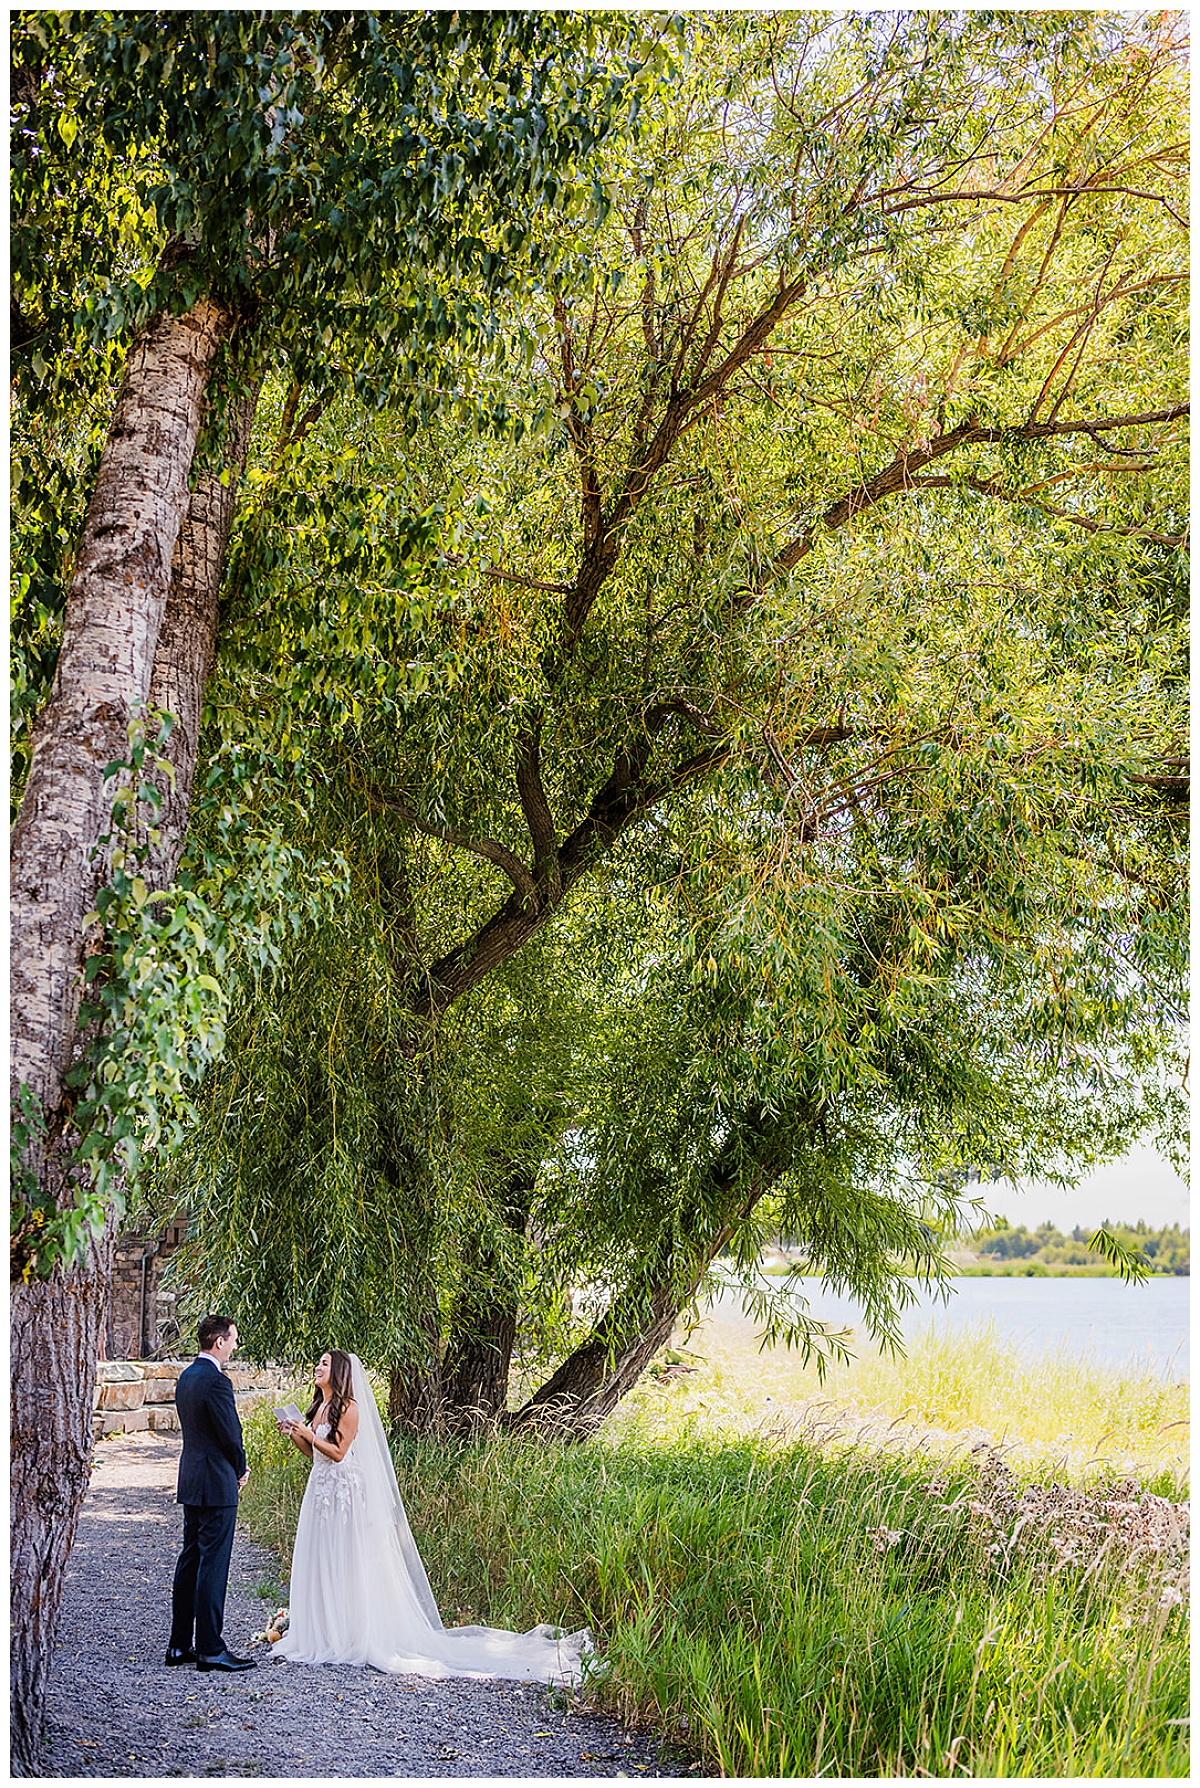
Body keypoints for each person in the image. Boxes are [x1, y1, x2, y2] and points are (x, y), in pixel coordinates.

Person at [273, 1350, 590, 1682]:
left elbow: (338, 1453)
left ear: (339, 1372)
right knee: (322, 1554)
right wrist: (295, 1433)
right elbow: (313, 1453)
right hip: (320, 1490)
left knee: (345, 1556)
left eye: (324, 1363)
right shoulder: (319, 1407)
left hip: (344, 1493)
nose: (317, 1367)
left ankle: (349, 1633)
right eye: (318, 1362)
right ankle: (325, 1630)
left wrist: (308, 1434)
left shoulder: (350, 1408)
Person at [167, 1314, 256, 1673]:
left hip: (191, 1478)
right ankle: (209, 1648)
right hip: (217, 1482)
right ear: (219, 1341)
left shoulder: (187, 1377)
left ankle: (178, 1645)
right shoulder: (217, 1381)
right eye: (233, 1339)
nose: (235, 1345)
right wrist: (240, 1467)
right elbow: (230, 1434)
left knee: (190, 1559)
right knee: (213, 1564)